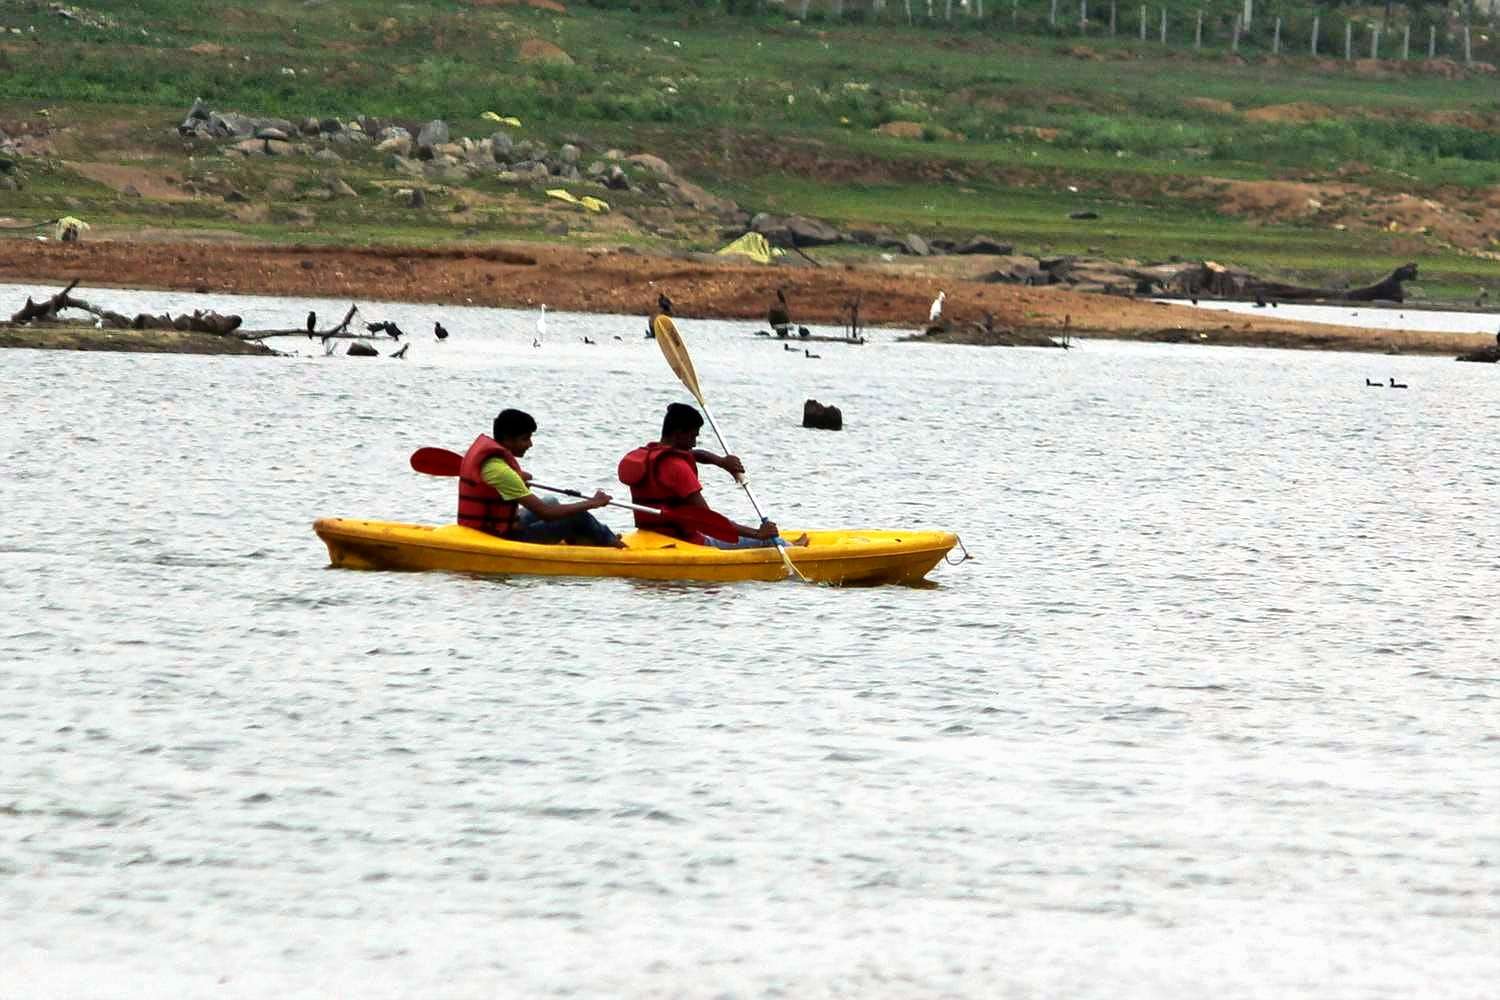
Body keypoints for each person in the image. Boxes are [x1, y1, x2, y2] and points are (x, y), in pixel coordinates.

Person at [618, 403, 807, 549]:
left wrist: (722, 462)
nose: (694, 442)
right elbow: (710, 521)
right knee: (769, 542)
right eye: (693, 436)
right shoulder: (678, 469)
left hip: (652, 535)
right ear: (678, 433)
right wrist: (758, 534)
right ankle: (792, 549)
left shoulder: (650, 456)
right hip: (689, 542)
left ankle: (782, 542)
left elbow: (696, 454)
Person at [458, 408, 624, 547]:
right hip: (504, 537)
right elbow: (546, 514)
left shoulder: (493, 464)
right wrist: (593, 503)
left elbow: (497, 485)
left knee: (551, 500)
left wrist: (517, 478)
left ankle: (589, 536)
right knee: (576, 516)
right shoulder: (501, 472)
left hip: (494, 526)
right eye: (525, 439)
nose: (530, 444)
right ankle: (611, 544)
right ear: (508, 439)